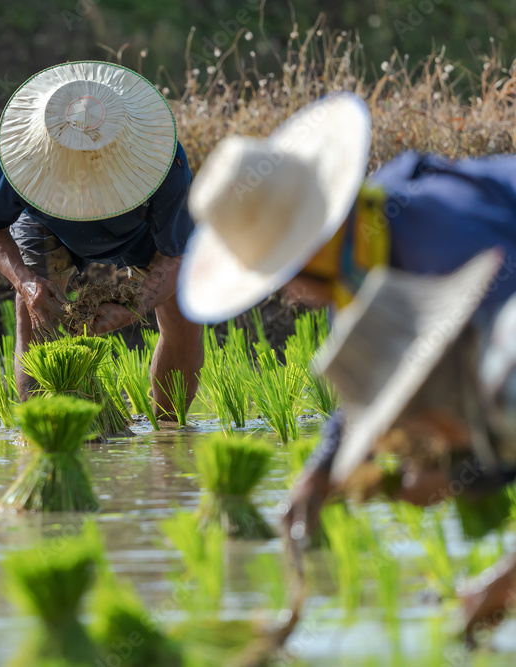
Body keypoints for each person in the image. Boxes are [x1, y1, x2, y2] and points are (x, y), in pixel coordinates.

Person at [175, 92, 516, 639]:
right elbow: (371, 380)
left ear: (308, 254)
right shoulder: (365, 251)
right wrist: (323, 471)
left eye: (282, 275)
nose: (289, 292)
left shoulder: (448, 243)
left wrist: (503, 584)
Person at [0, 61, 203, 419]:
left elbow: (177, 256)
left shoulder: (164, 162)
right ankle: (47, 431)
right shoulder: (20, 156)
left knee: (184, 311)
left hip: (140, 231)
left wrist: (135, 305)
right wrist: (26, 283)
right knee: (36, 314)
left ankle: (170, 433)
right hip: (50, 224)